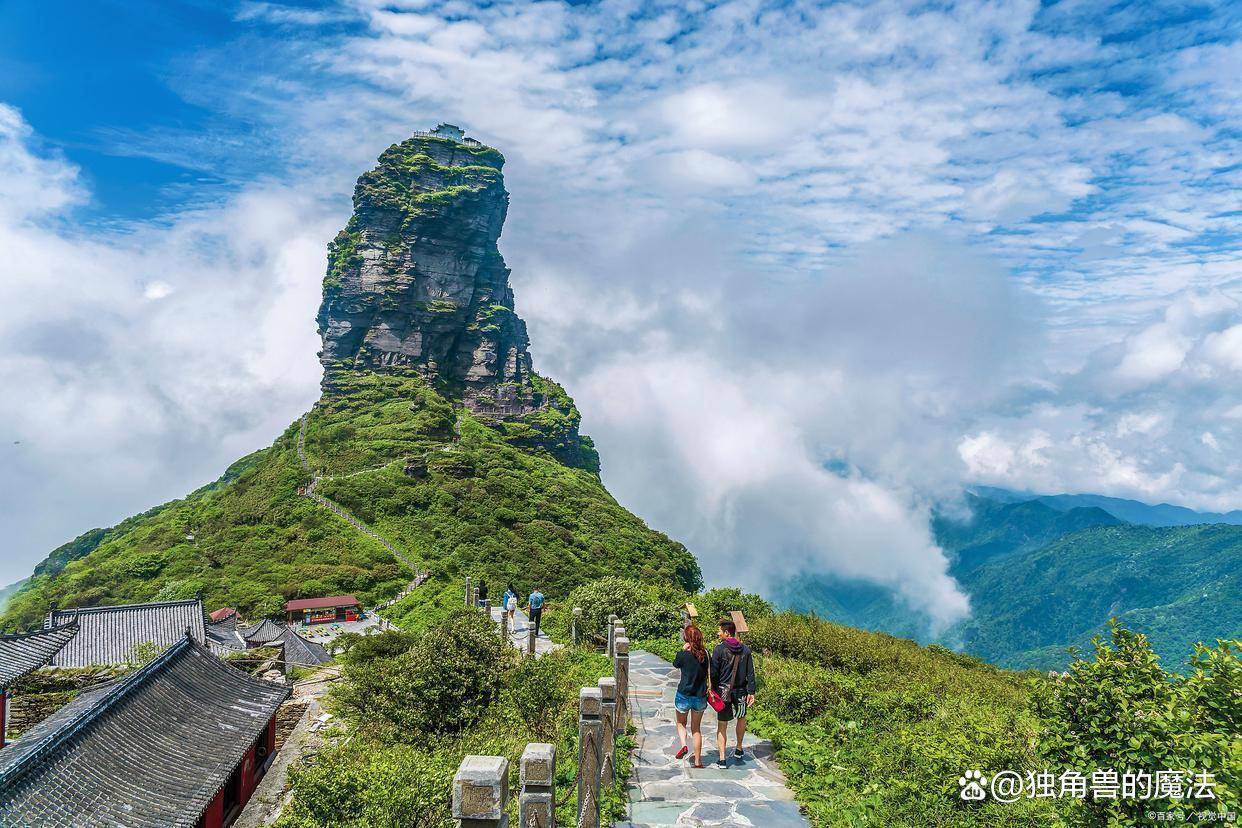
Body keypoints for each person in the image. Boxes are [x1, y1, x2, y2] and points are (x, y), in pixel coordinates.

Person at [710, 618, 756, 768]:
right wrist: (751, 691)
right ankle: (739, 748)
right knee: (741, 717)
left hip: (724, 693)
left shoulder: (719, 649)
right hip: (742, 691)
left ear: (726, 632)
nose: (718, 633)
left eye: (719, 631)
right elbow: (751, 673)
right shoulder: (746, 650)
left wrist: (713, 689)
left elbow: (714, 673)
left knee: (722, 724)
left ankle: (722, 759)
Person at [673, 624, 709, 767]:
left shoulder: (683, 655)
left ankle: (683, 745)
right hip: (700, 696)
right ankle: (698, 761)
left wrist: (682, 651)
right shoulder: (705, 655)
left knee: (681, 723)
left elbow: (676, 664)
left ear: (687, 639)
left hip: (683, 695)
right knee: (696, 729)